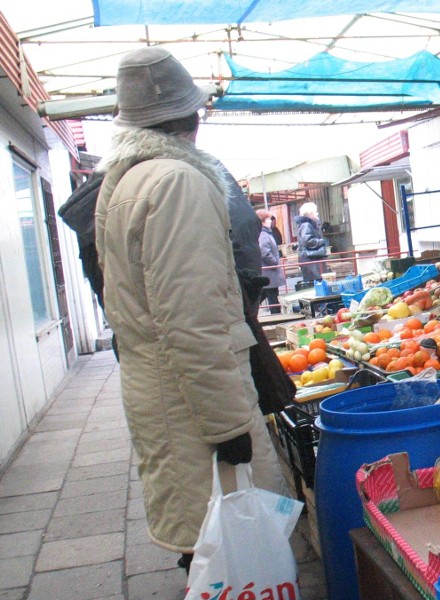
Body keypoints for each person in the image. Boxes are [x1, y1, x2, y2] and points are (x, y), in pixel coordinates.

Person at [94, 46, 287, 572]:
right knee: (230, 563)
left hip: (164, 398)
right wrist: (229, 429)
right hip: (195, 411)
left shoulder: (126, 181)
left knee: (205, 554)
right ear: (192, 116)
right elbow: (192, 320)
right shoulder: (178, 183)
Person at [257, 209, 285, 314]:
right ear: (263, 221)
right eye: (268, 219)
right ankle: (277, 318)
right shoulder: (264, 234)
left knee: (267, 295)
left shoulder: (266, 233)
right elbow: (264, 251)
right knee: (272, 298)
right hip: (270, 273)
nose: (271, 221)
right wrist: (274, 262)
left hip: (269, 273)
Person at [295, 201, 328, 283]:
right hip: (311, 261)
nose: (317, 213)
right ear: (310, 213)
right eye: (315, 211)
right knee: (316, 283)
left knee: (317, 282)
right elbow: (308, 241)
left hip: (312, 260)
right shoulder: (306, 225)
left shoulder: (310, 225)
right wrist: (322, 241)